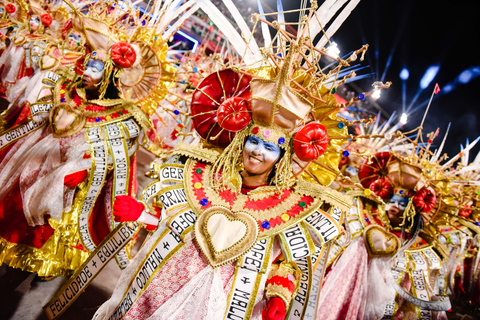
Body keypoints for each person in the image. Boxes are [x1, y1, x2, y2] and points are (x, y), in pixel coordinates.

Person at [94, 54, 352, 319]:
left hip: (222, 305)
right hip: (165, 285)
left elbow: (284, 263)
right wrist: (139, 213)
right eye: (253, 141)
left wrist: (278, 296)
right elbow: (172, 222)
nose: (257, 152)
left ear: (282, 156)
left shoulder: (289, 205)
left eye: (269, 147)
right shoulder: (204, 175)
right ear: (242, 139)